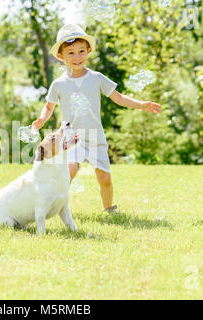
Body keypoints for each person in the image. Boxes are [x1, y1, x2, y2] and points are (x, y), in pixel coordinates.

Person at [32, 24, 162, 214]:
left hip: (95, 137)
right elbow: (49, 106)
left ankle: (109, 208)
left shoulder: (97, 78)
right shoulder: (59, 84)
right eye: (71, 53)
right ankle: (52, 207)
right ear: (61, 56)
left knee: (104, 177)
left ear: (89, 51)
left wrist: (142, 104)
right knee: (68, 174)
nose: (77, 57)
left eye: (81, 51)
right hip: (70, 139)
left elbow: (119, 98)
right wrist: (42, 119)